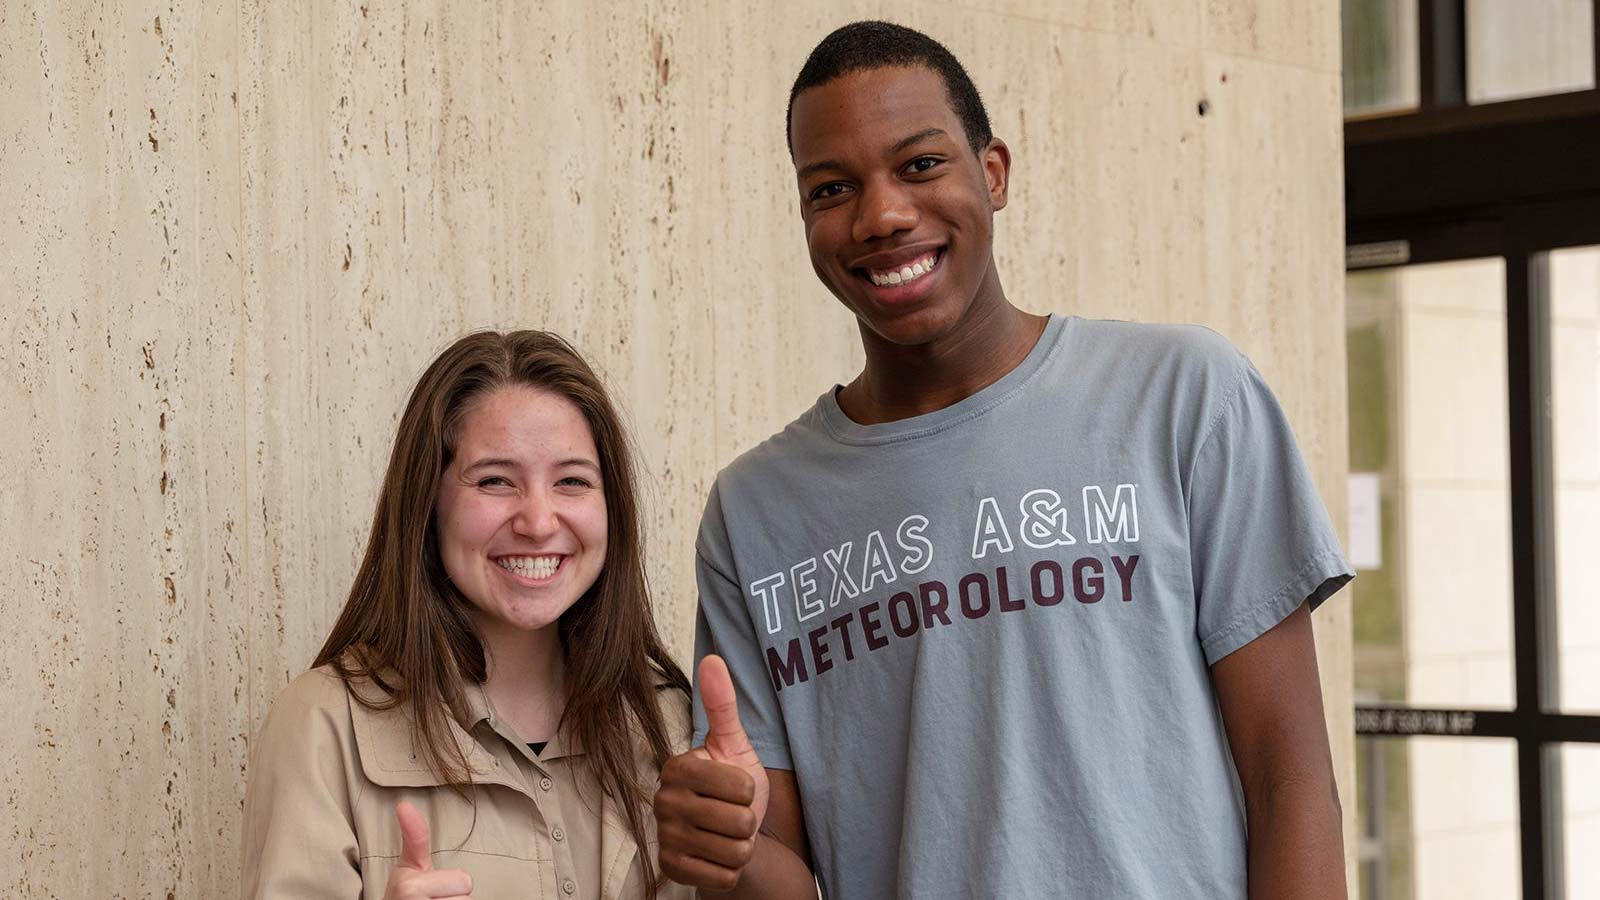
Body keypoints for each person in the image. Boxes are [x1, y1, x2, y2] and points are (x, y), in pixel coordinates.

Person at [653, 20, 1353, 900]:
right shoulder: (755, 512)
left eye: (919, 165)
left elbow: (1291, 778)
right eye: (832, 188)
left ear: (993, 174)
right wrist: (725, 844)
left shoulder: (1185, 398)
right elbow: (786, 879)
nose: (882, 215)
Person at [241, 330, 694, 900]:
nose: (538, 520)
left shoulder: (668, 724)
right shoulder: (323, 726)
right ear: (427, 504)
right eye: (495, 480)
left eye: (572, 481)